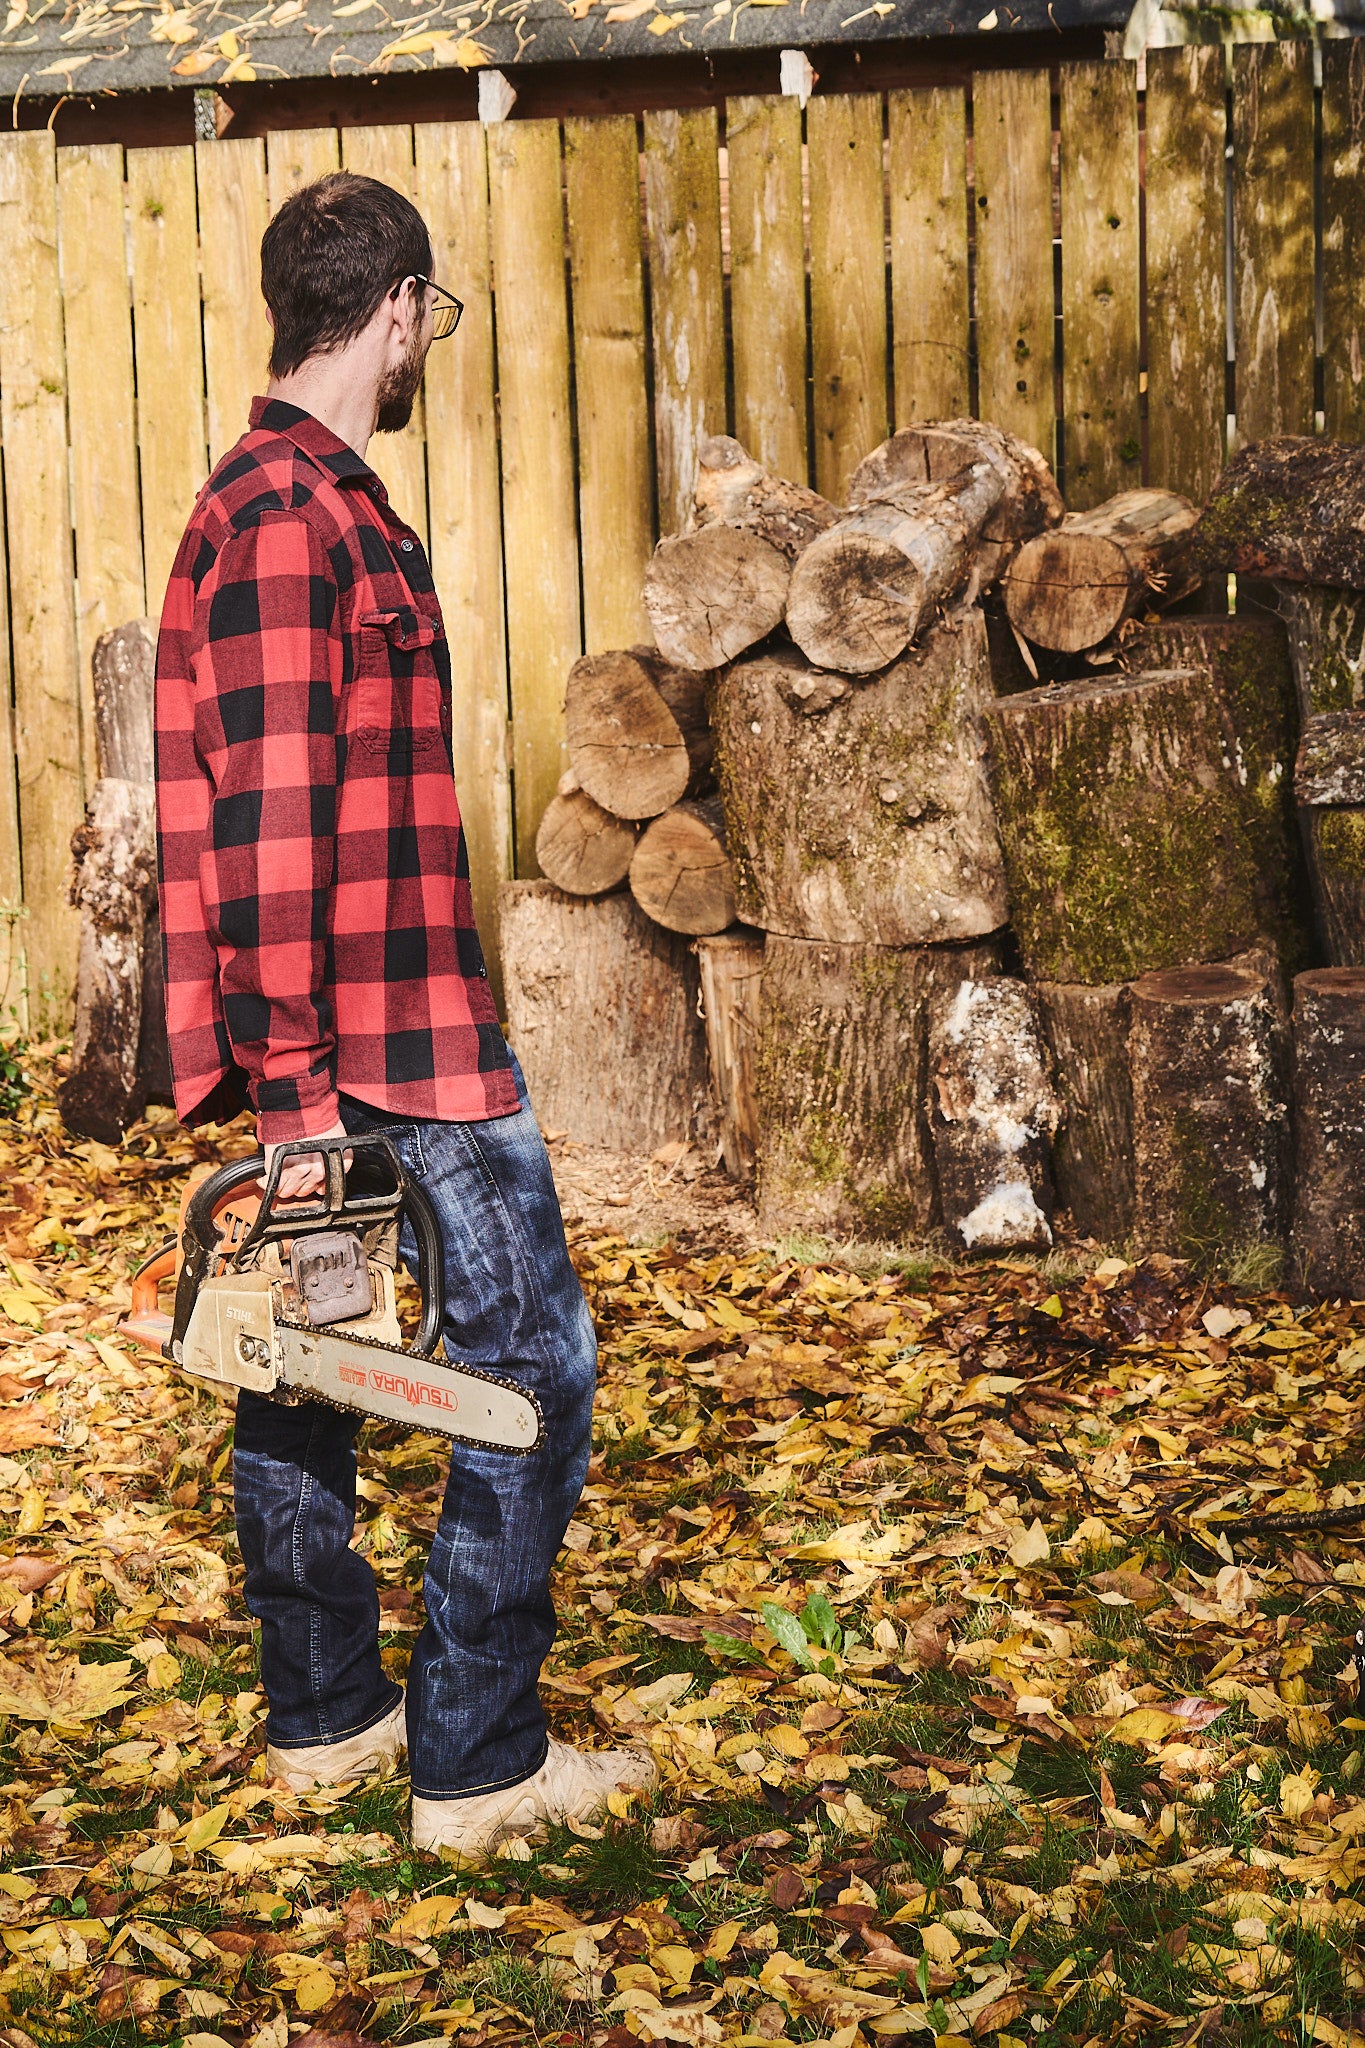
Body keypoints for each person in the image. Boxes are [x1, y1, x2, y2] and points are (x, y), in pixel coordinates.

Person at [154, 171, 654, 1860]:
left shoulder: (290, 506)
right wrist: (292, 1092)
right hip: (389, 1043)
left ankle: (332, 1718)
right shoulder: (294, 518)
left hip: (351, 1029)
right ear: (393, 314)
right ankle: (477, 1759)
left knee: (312, 1363)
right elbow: (271, 824)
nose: (424, 341)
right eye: (427, 319)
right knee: (532, 1368)